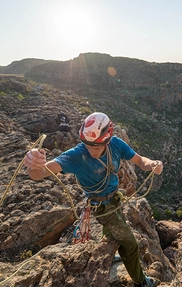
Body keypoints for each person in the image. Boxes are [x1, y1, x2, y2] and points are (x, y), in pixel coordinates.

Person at [24, 112, 162, 287]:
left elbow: (140, 160)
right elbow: (41, 173)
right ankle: (141, 281)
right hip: (101, 206)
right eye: (87, 145)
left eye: (96, 147)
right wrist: (33, 165)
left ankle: (113, 252)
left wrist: (152, 164)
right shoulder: (76, 155)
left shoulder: (116, 145)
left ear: (107, 140)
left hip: (114, 198)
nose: (91, 150)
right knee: (131, 243)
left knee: (114, 230)